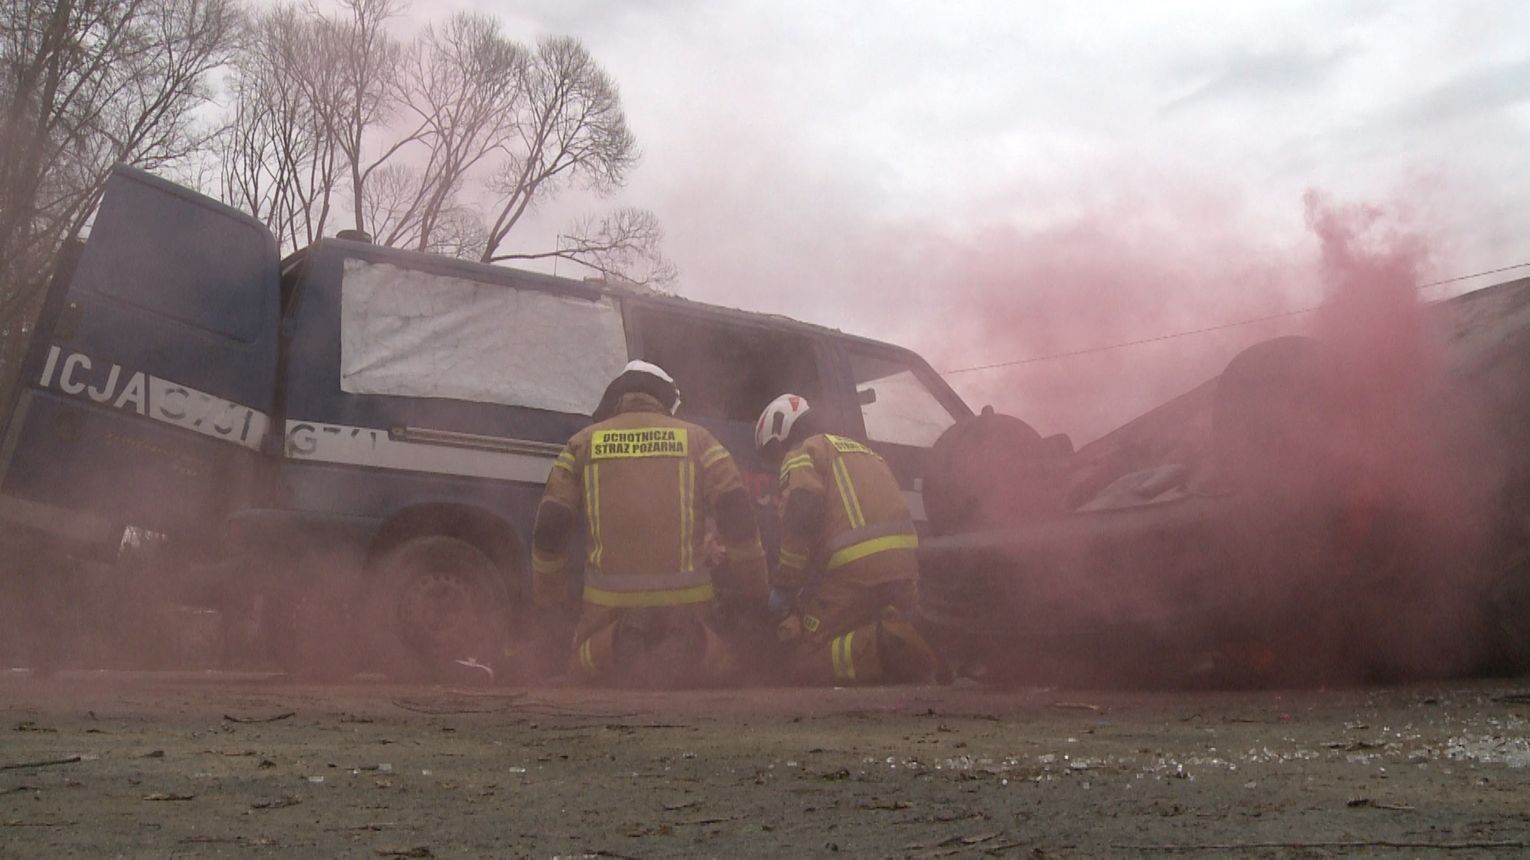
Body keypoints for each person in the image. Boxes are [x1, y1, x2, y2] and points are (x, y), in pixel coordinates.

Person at [530, 361, 769, 687]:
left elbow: (550, 529)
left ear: (618, 397)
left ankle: (616, 640)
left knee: (581, 666)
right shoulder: (701, 441)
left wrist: (548, 604)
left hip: (607, 610)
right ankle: (693, 641)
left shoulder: (581, 444)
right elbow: (737, 518)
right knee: (728, 663)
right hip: (688, 605)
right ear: (666, 400)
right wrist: (755, 595)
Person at [754, 393, 941, 684]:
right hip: (905, 570)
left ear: (780, 433)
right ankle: (915, 639)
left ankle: (886, 646)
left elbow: (802, 517)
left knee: (801, 658)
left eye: (773, 452)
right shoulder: (864, 451)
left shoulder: (802, 452)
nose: (777, 462)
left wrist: (785, 587)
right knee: (862, 624)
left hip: (855, 571)